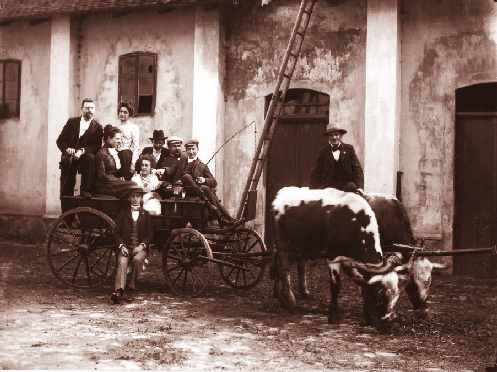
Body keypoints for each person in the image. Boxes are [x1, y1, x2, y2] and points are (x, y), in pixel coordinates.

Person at [111, 185, 153, 304]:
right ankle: (118, 291)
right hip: (125, 247)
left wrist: (141, 246)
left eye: (137, 196)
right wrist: (121, 246)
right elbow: (116, 232)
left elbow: (150, 235)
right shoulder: (123, 213)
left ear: (141, 199)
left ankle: (132, 280)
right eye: (133, 196)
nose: (135, 199)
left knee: (137, 260)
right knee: (122, 262)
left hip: (139, 248)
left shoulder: (146, 214)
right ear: (130, 198)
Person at [56, 98, 103, 200]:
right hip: (69, 158)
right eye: (87, 108)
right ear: (82, 109)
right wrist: (67, 149)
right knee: (66, 189)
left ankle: (85, 191)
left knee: (90, 158)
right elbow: (60, 141)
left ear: (94, 110)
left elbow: (96, 146)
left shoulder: (98, 127)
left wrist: (82, 151)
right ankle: (66, 208)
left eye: (92, 108)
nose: (90, 110)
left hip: (84, 158)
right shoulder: (72, 122)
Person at [181, 139, 236, 225]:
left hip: (200, 195)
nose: (191, 152)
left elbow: (214, 182)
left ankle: (227, 218)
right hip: (186, 194)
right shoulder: (181, 163)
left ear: (197, 150)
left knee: (205, 188)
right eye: (189, 149)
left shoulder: (202, 166)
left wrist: (204, 180)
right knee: (188, 178)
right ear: (186, 150)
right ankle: (223, 217)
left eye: (193, 149)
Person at [310, 124, 364, 192]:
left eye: (336, 134)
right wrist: (313, 189)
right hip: (328, 186)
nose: (334, 137)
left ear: (340, 136)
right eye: (331, 135)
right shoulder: (323, 152)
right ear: (328, 137)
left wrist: (360, 187)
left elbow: (357, 169)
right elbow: (316, 171)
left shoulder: (349, 149)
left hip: (346, 185)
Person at [95, 125, 139, 199]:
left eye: (120, 139)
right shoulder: (101, 153)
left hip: (114, 183)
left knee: (134, 185)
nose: (120, 141)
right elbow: (101, 176)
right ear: (109, 138)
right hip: (105, 185)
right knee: (133, 185)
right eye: (117, 138)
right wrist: (118, 180)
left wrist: (120, 177)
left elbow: (116, 171)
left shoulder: (115, 152)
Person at [116, 102, 140, 180]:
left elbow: (136, 147)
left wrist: (133, 164)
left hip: (127, 156)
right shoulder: (116, 128)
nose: (122, 114)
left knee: (124, 153)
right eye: (120, 111)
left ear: (129, 114)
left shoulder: (133, 127)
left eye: (125, 112)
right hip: (117, 155)